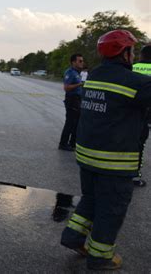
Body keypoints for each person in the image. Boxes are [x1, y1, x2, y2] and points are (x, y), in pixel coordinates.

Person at [60, 30, 151, 270]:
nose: (133, 55)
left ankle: (73, 237)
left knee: (90, 200)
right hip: (114, 161)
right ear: (125, 53)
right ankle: (100, 256)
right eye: (131, 51)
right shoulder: (135, 82)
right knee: (112, 209)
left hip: (87, 156)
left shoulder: (95, 75)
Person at [132, 44, 151, 187]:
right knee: (140, 144)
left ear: (141, 55)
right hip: (146, 113)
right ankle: (135, 174)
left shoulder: (132, 67)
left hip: (129, 111)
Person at [58, 54, 84, 151]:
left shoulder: (77, 73)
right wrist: (79, 84)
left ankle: (73, 143)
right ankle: (63, 143)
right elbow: (66, 87)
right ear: (73, 62)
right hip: (72, 99)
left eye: (82, 61)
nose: (82, 62)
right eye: (80, 61)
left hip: (77, 99)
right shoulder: (70, 72)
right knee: (70, 122)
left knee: (77, 122)